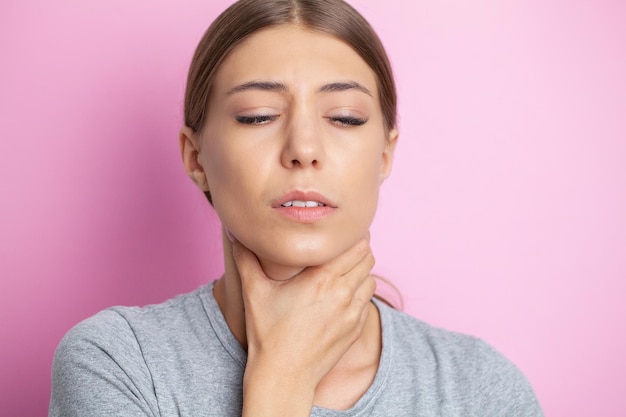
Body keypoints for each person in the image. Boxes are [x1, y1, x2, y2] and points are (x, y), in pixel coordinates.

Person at [49, 0, 544, 416]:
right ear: (195, 157)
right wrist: (281, 379)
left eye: (345, 118)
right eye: (258, 115)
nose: (303, 148)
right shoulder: (119, 362)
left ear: (386, 154)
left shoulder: (479, 390)